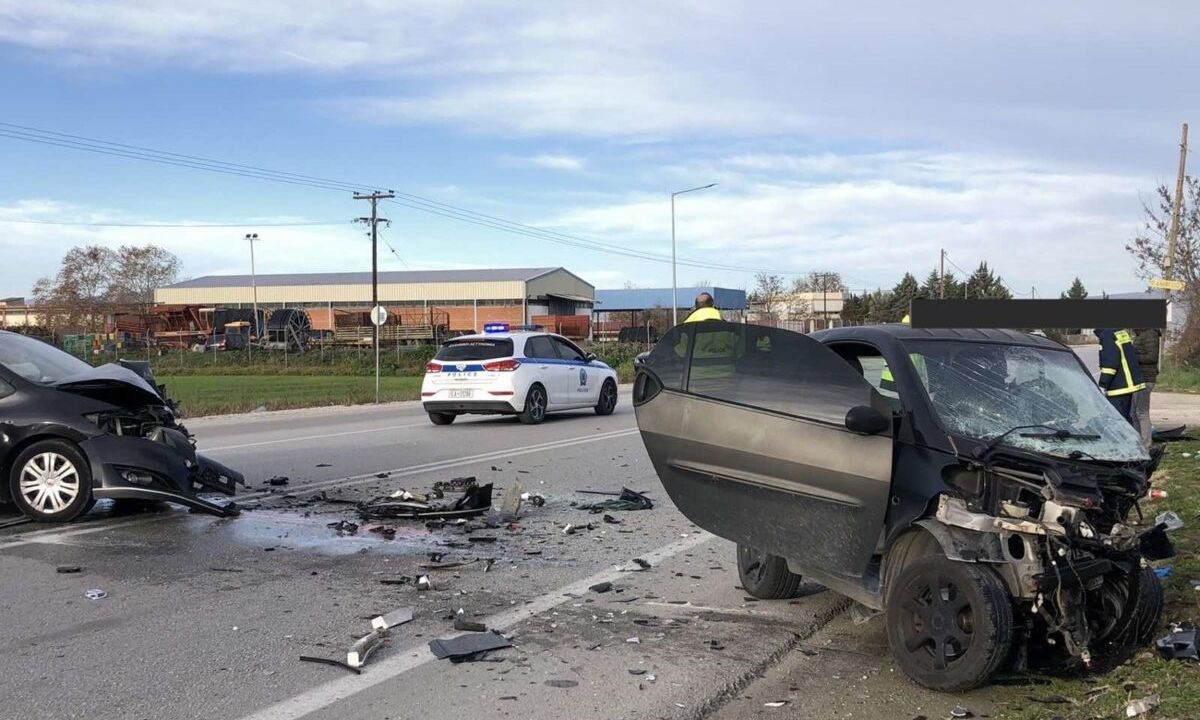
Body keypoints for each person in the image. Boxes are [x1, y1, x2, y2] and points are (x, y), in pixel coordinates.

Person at [1095, 328, 1147, 424]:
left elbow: (1110, 364)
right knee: (1125, 419)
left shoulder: (1106, 335)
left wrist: (1102, 385)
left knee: (1117, 422)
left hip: (1118, 387)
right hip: (1128, 384)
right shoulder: (1119, 332)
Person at [1131, 327, 1161, 445]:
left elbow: (1152, 357)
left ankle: (1146, 443)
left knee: (1141, 412)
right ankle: (1138, 442)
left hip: (1145, 378)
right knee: (1134, 413)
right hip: (1138, 378)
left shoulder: (1150, 333)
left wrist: (1132, 358)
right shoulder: (1140, 334)